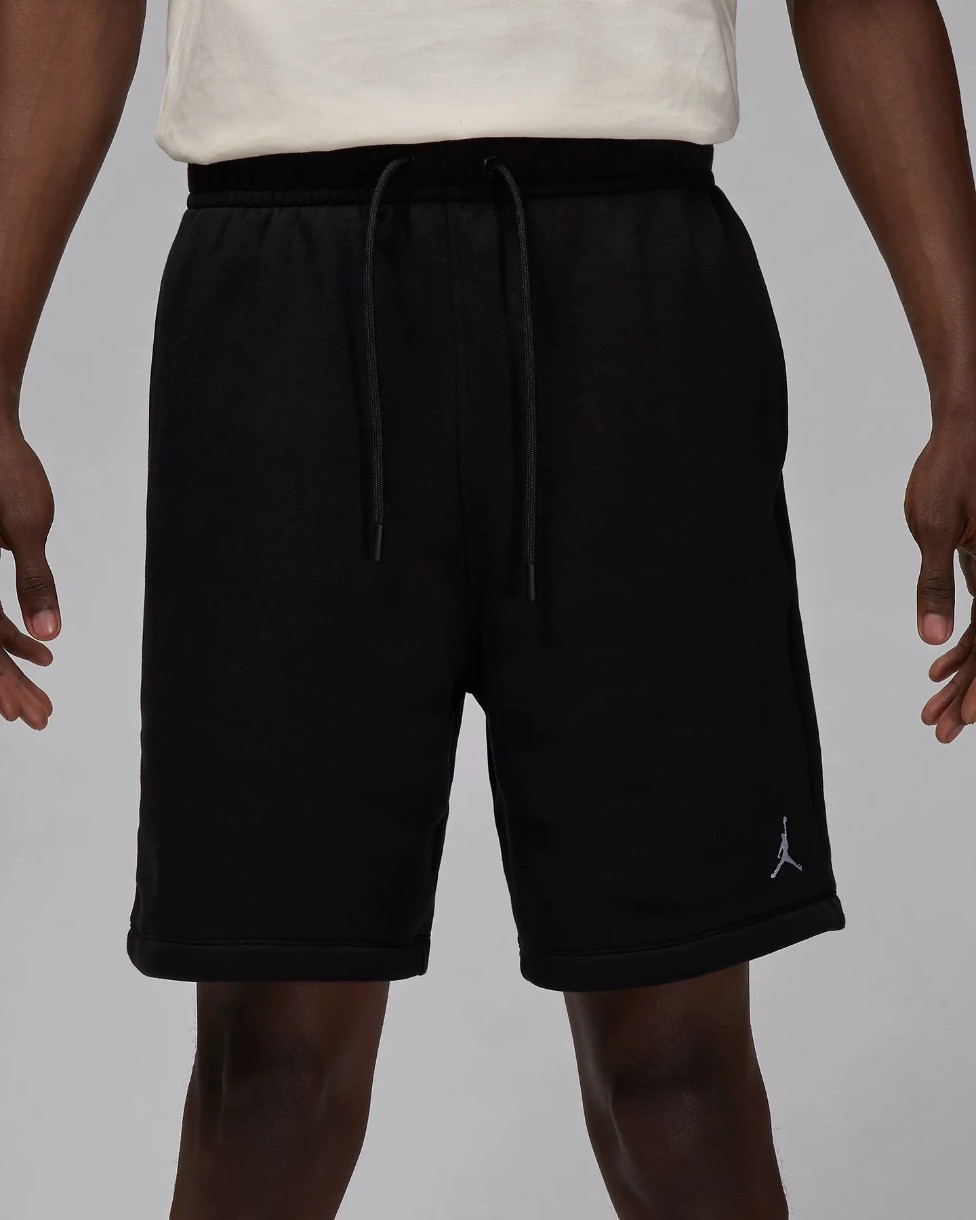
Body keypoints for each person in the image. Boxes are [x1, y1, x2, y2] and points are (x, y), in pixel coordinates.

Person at [1, 2, 974, 1216]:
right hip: (283, 310)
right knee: (271, 1081)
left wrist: (965, 382)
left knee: (676, 1084)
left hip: (635, 304)